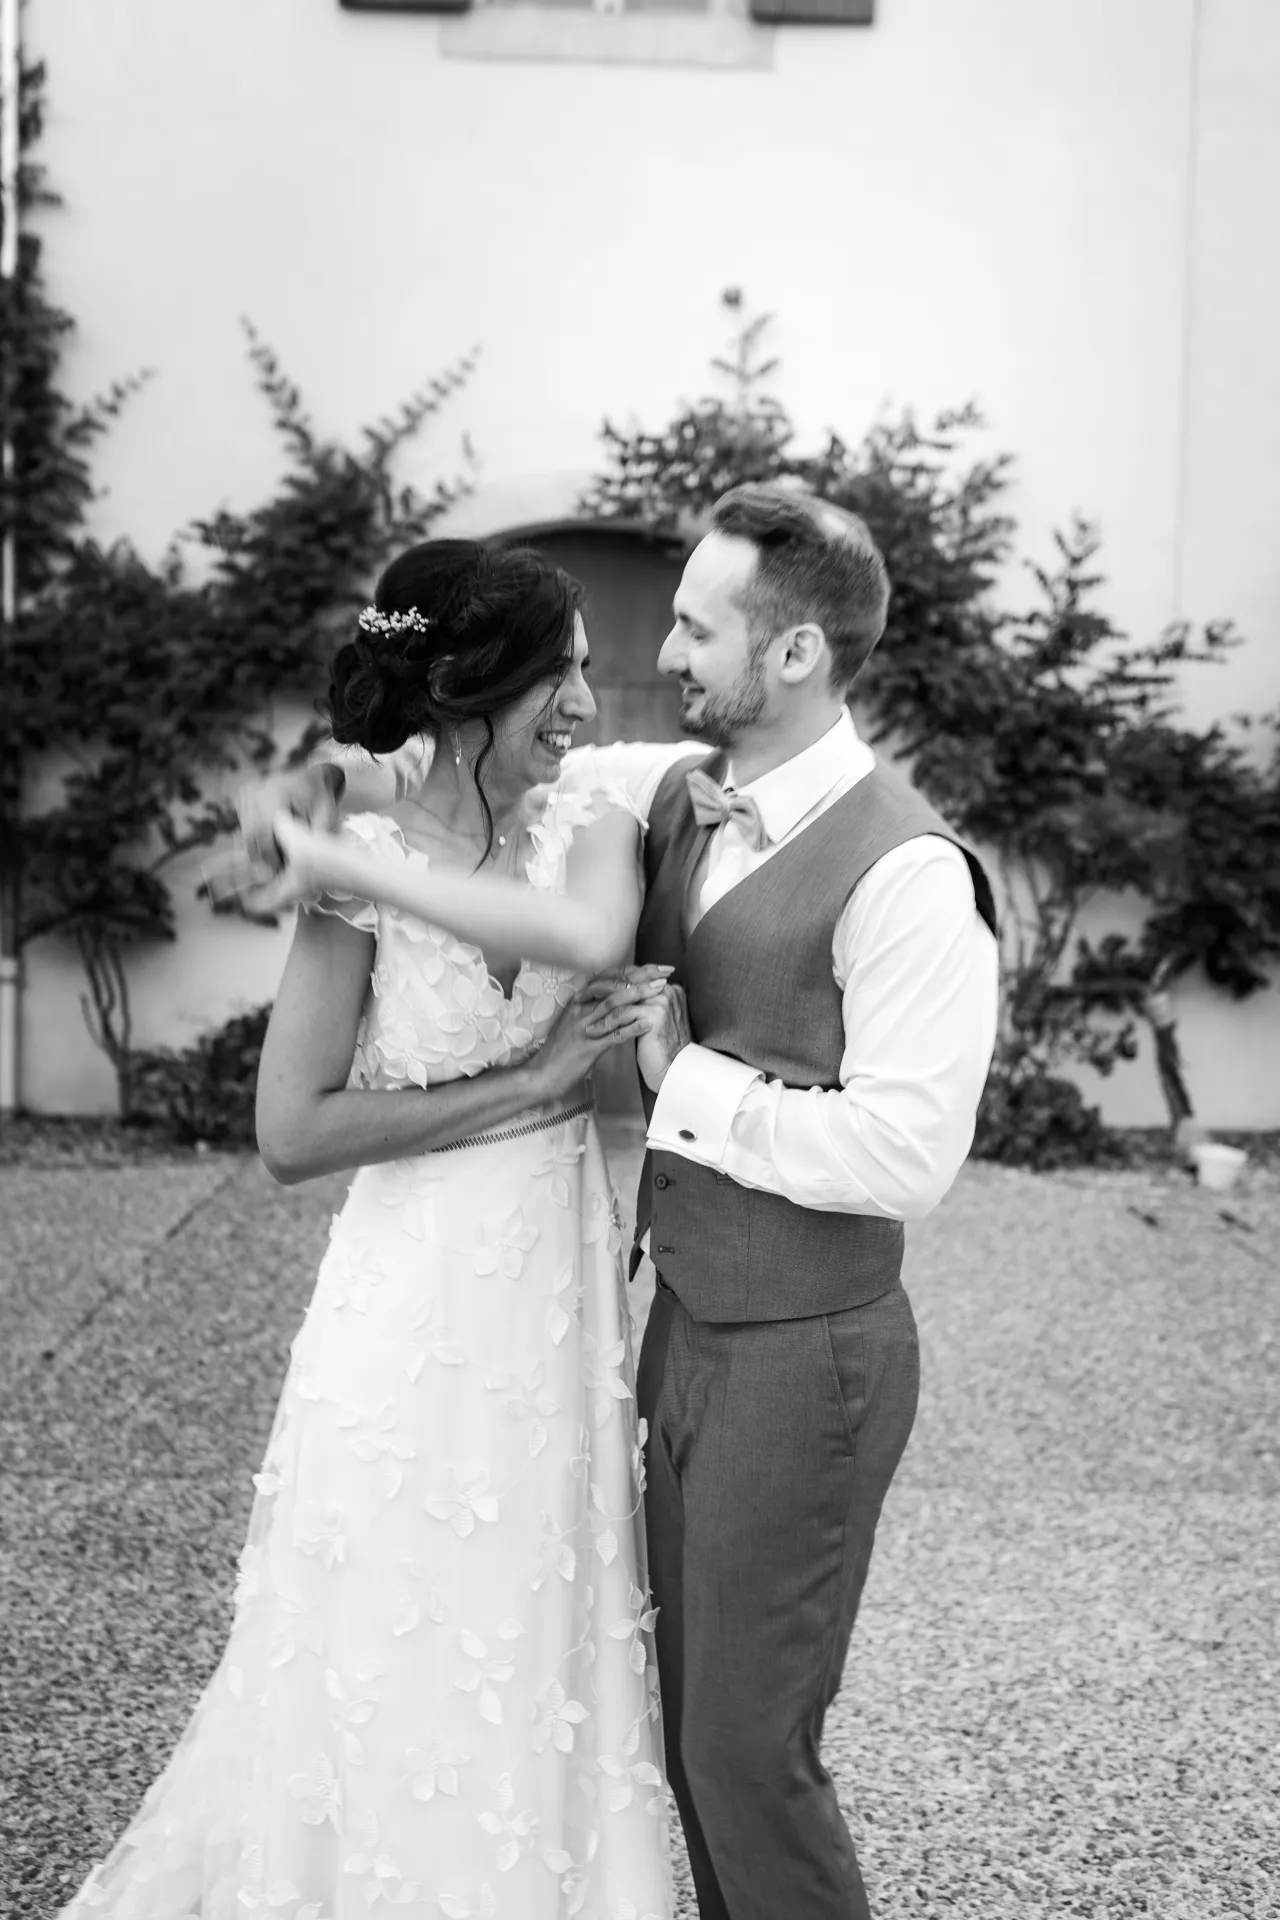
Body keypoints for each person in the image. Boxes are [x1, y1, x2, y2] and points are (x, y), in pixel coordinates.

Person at [239, 485, 1001, 1920]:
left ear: (790, 658)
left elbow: (908, 1153)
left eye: (693, 629)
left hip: (729, 1331)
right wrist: (343, 808)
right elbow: (298, 1113)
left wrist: (673, 1074)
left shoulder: (867, 863)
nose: (647, 669)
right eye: (586, 661)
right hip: (574, 1321)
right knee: (581, 1695)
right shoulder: (637, 797)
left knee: (709, 1733)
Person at [60, 540, 676, 1920]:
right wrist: (524, 1082)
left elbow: (587, 941)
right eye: (558, 675)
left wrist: (342, 839)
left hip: (551, 1306)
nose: (585, 703)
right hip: (407, 1304)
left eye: (586, 669)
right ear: (471, 691)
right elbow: (293, 1135)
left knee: (537, 1629)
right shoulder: (362, 867)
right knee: (393, 1631)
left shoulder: (597, 829)